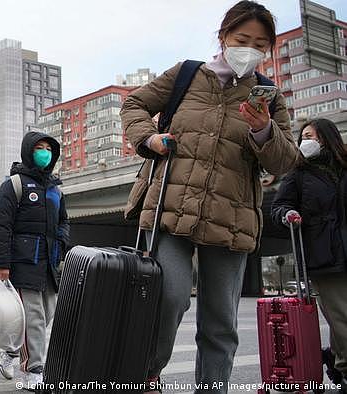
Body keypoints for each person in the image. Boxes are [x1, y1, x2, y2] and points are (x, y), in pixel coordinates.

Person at [120, 2, 300, 392]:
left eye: (259, 44)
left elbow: (285, 161)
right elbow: (134, 103)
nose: (249, 49)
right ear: (222, 37)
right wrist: (147, 138)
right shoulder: (186, 74)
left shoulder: (269, 97)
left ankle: (212, 388)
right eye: (241, 40)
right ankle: (146, 374)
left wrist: (264, 131)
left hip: (232, 220)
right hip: (171, 207)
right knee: (169, 297)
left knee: (220, 321)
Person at [272, 118, 347, 390]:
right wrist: (288, 214)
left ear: (327, 138)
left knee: (342, 319)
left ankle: (337, 361)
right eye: (303, 136)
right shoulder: (298, 173)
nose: (306, 141)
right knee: (342, 317)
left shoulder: (344, 168)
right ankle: (345, 368)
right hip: (322, 255)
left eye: (311, 135)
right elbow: (279, 205)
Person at [0, 131, 70, 389]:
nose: (44, 152)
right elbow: (1, 226)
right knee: (33, 317)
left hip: (48, 263)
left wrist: (60, 242)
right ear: (28, 151)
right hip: (22, 262)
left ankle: (11, 352)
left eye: (48, 148)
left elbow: (63, 221)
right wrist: (2, 263)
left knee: (46, 314)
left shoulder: (55, 190)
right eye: (39, 147)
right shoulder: (14, 185)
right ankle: (33, 370)